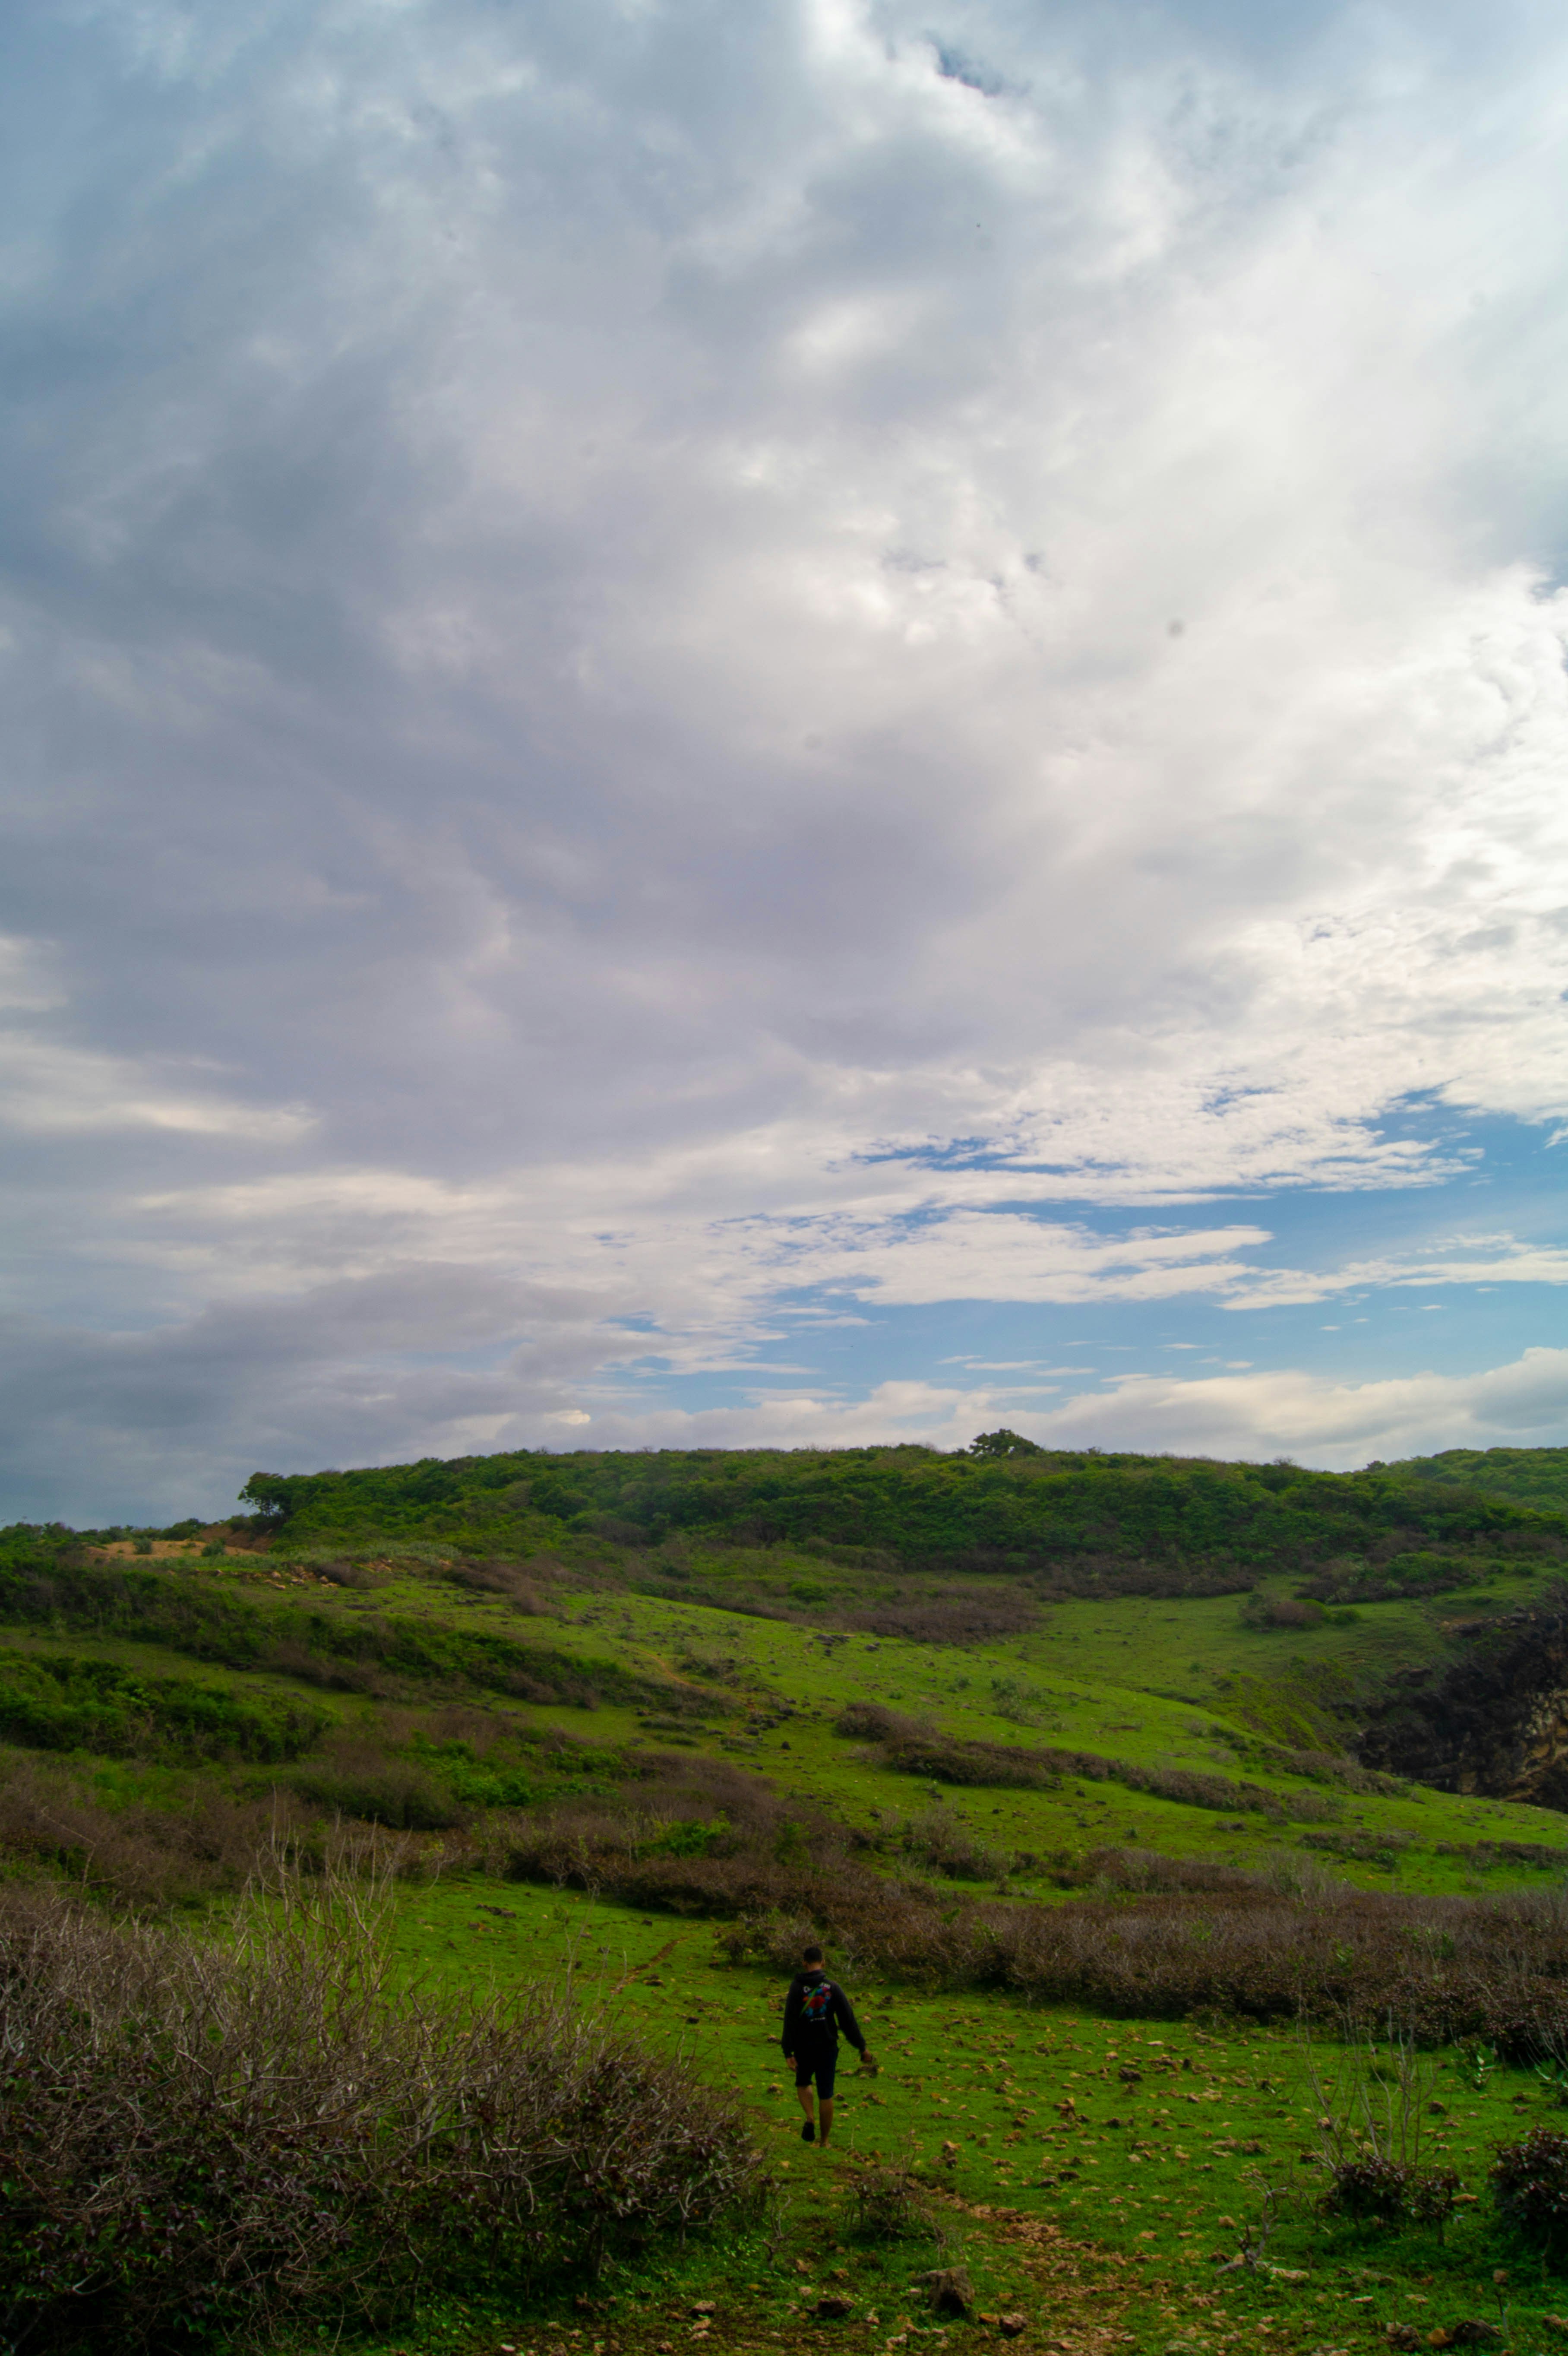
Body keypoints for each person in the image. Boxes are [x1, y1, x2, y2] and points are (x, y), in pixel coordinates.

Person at [780, 1941, 873, 2147]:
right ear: (823, 1962)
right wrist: (862, 2047)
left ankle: (810, 2118)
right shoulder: (832, 1988)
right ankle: (824, 2141)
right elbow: (848, 2021)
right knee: (826, 2093)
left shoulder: (796, 1988)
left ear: (804, 1964)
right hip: (827, 2047)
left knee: (803, 2083)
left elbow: (790, 2020)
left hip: (804, 2047)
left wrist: (788, 2050)